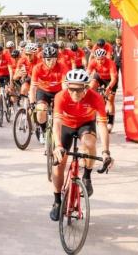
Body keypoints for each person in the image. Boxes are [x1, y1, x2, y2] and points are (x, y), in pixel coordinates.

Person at [49, 69, 111, 221]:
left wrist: (105, 152)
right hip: (66, 125)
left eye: (79, 89)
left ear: (86, 87)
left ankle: (87, 176)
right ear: (67, 86)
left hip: (85, 124)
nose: (75, 93)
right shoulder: (60, 96)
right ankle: (57, 201)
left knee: (88, 143)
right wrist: (57, 146)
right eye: (71, 89)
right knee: (58, 165)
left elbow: (102, 125)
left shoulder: (96, 98)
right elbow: (56, 123)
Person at [31, 44, 69, 126]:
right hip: (43, 91)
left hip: (58, 92)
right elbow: (33, 87)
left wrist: (67, 99)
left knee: (60, 114)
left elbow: (65, 86)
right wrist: (32, 102)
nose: (51, 62)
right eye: (48, 59)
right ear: (43, 59)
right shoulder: (37, 68)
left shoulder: (62, 67)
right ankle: (42, 130)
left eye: (54, 59)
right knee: (41, 110)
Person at [86, 47, 119, 130]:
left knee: (110, 100)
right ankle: (93, 102)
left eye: (102, 59)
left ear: (105, 58)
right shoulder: (93, 62)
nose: (100, 61)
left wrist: (109, 88)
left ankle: (110, 121)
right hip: (100, 77)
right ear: (95, 58)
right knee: (91, 86)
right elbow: (87, 74)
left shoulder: (111, 63)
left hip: (110, 80)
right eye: (98, 59)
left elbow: (113, 79)